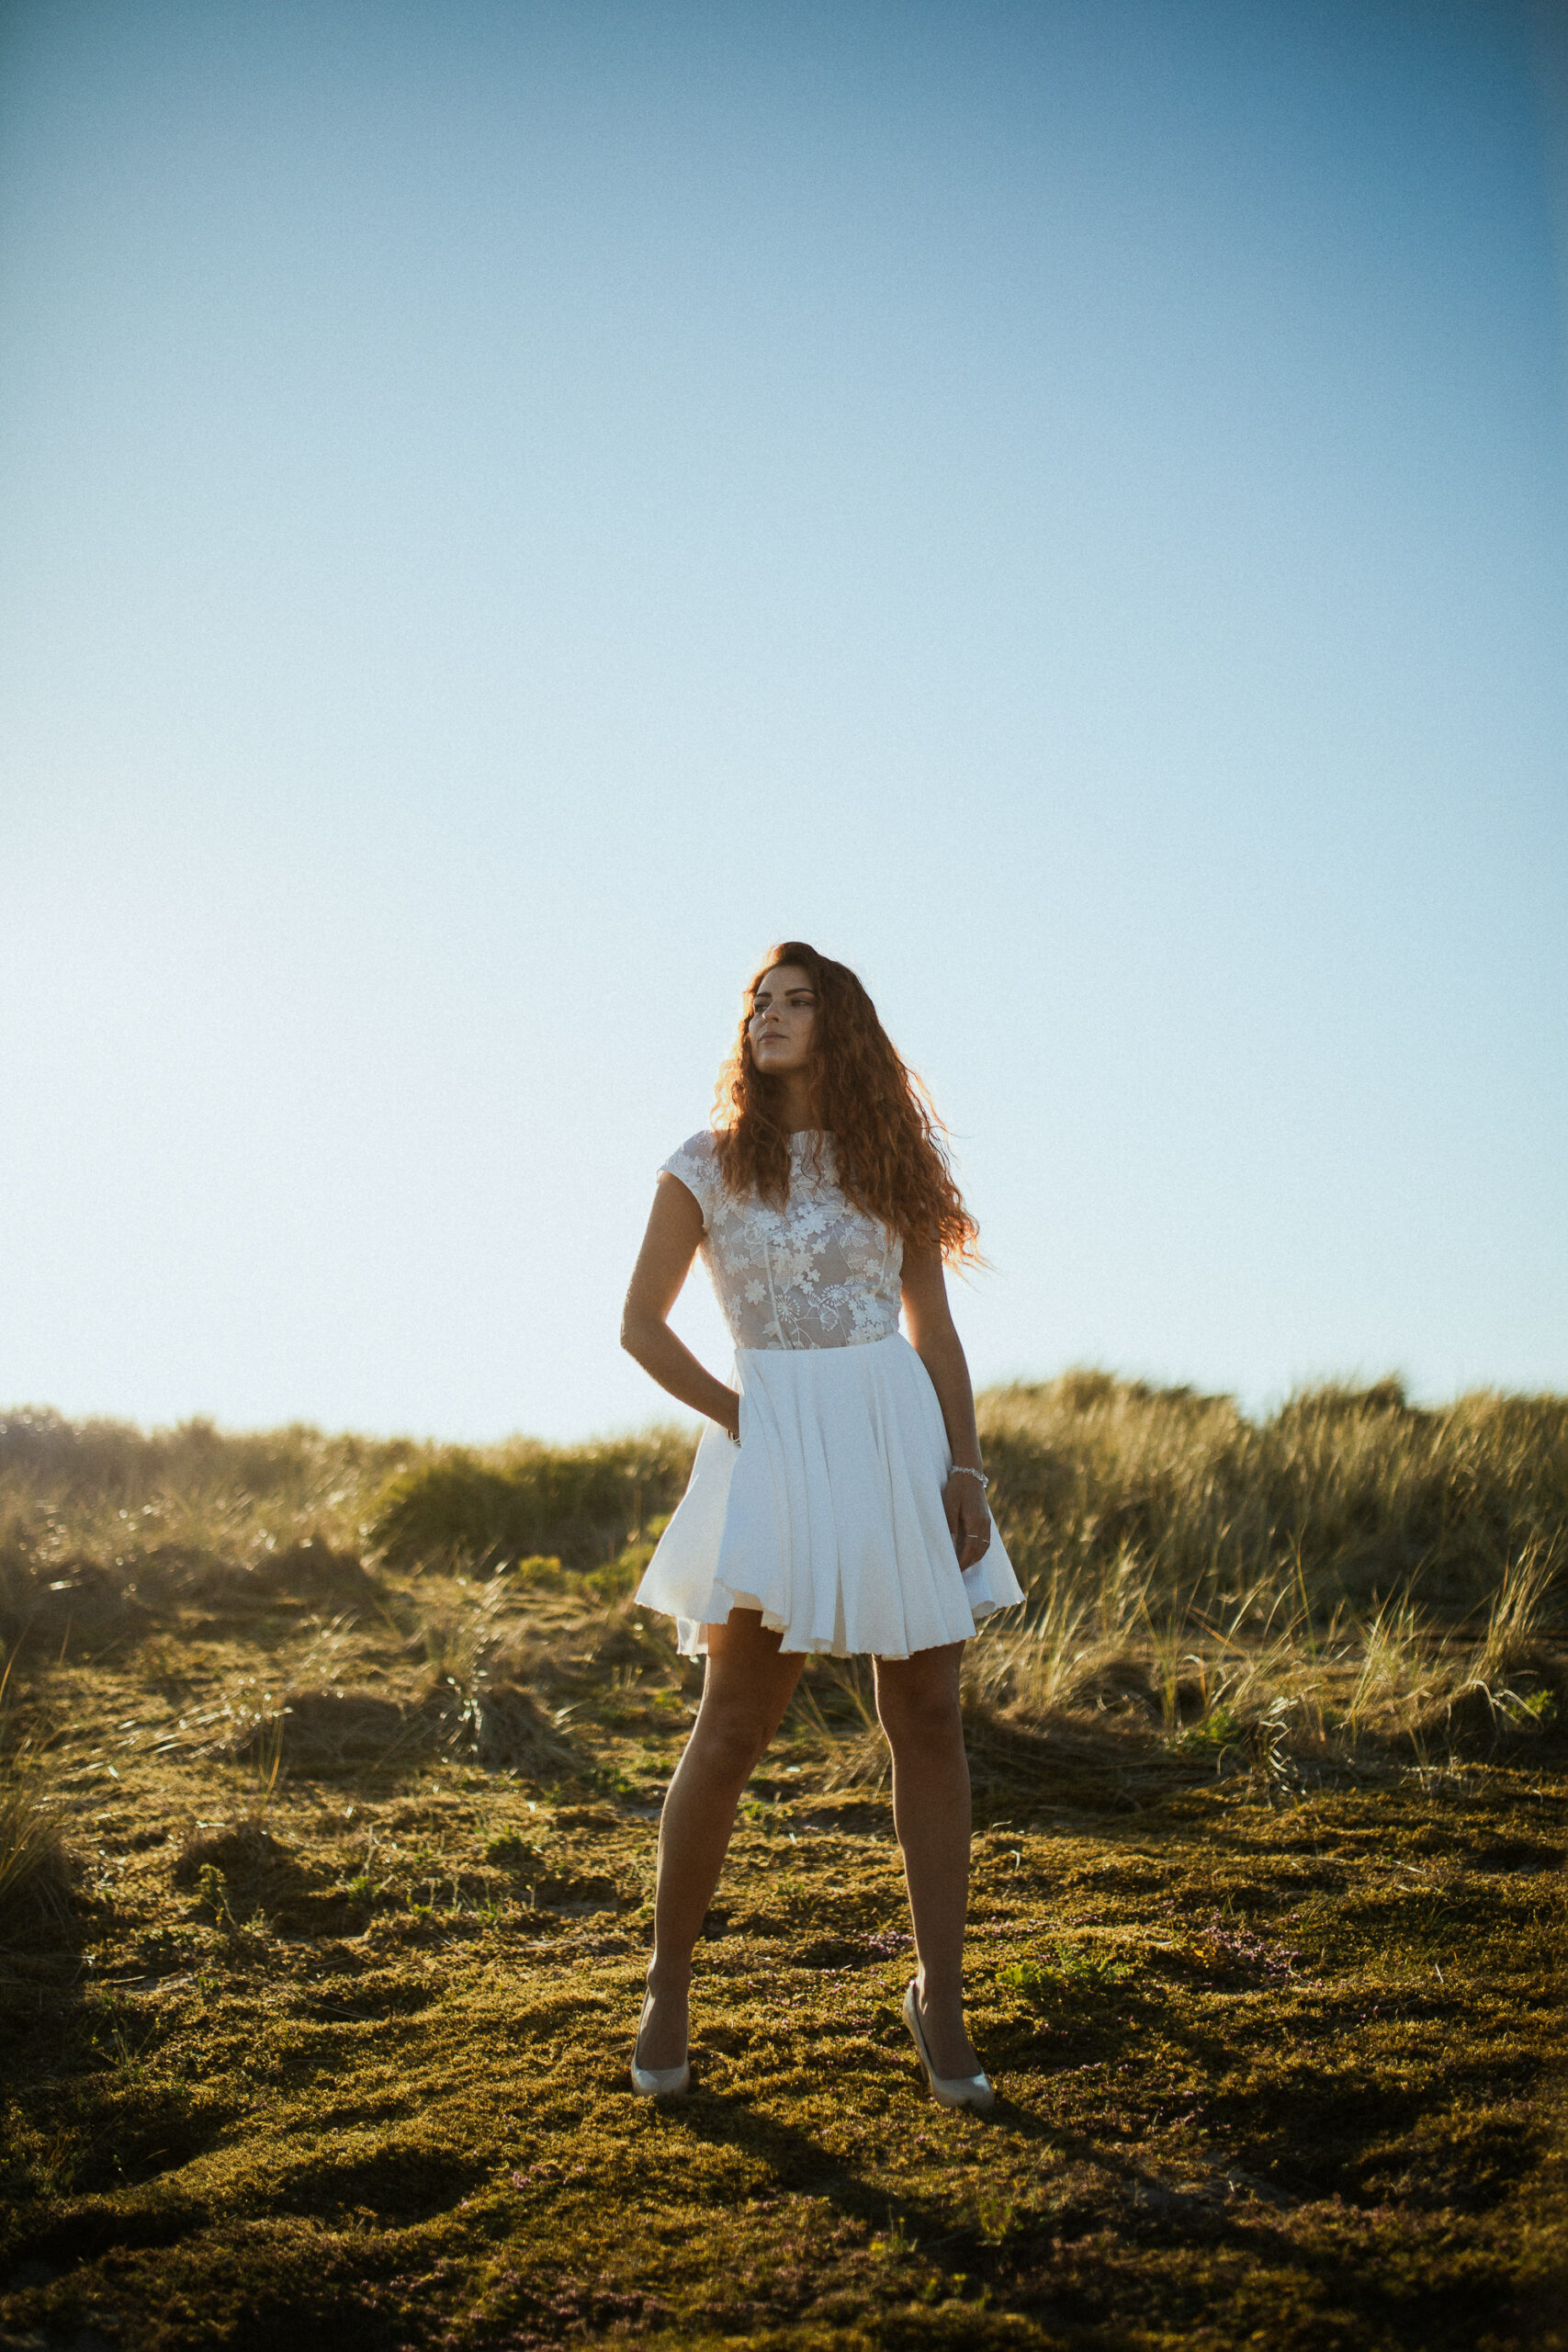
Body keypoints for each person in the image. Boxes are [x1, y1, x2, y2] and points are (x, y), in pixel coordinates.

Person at [620, 941, 1022, 2109]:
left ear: (838, 1024)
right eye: (761, 1002)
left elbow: (935, 1334)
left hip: (899, 1438)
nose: (772, 1017)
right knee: (735, 1721)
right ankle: (668, 1985)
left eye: (798, 1002)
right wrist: (740, 1412)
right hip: (777, 1444)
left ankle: (940, 1999)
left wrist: (967, 1466)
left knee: (930, 1714)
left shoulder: (891, 1160)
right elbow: (641, 1325)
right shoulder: (703, 1164)